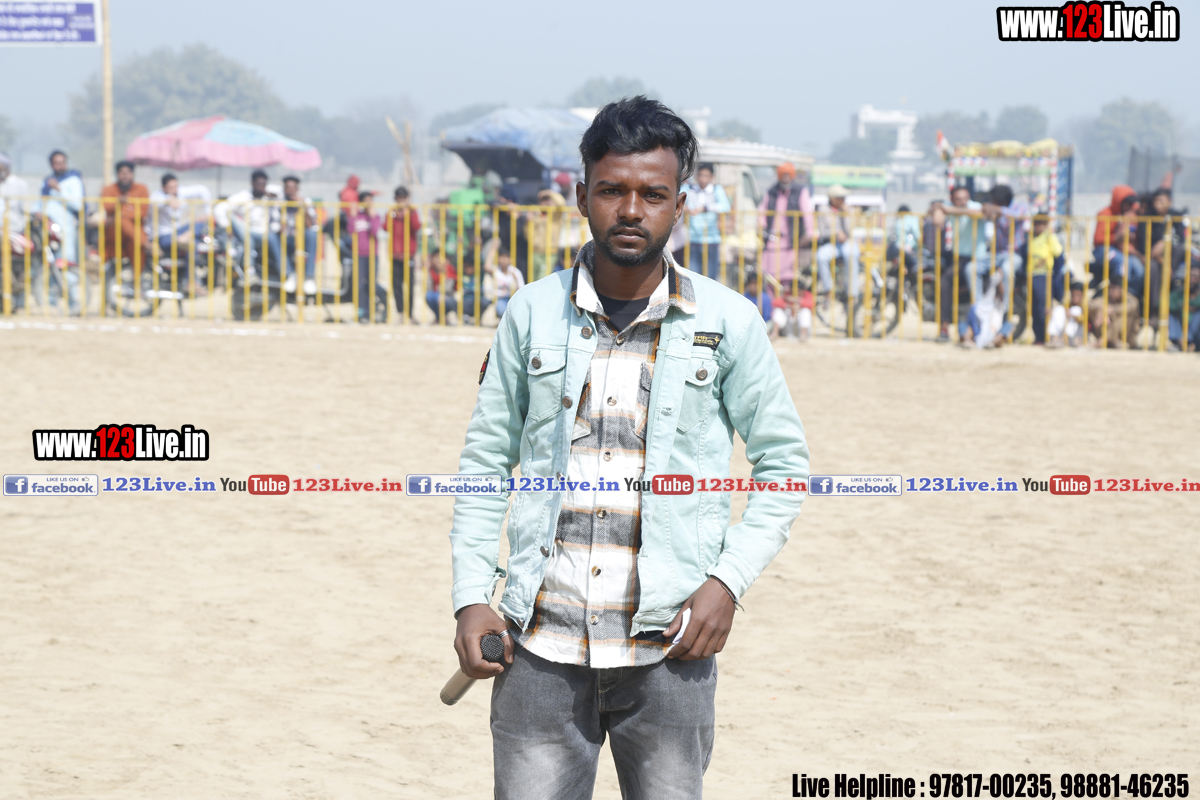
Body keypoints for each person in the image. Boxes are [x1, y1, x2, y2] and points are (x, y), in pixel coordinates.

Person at [449, 96, 809, 800]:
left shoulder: (728, 322)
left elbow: (784, 465)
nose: (632, 210)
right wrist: (470, 599)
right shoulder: (531, 312)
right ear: (582, 195)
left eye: (653, 194)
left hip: (670, 648)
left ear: (681, 205)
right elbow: (486, 462)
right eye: (612, 190)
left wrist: (727, 583)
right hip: (538, 647)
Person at [936, 185, 988, 341]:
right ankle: (944, 326)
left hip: (977, 258)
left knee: (970, 287)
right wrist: (938, 210)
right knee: (944, 282)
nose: (963, 202)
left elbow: (980, 212)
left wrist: (947, 210)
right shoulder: (949, 206)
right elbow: (936, 206)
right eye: (959, 199)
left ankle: (979, 326)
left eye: (965, 198)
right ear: (952, 199)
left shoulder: (975, 207)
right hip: (959, 257)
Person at [758, 161, 813, 284]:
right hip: (772, 238)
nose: (786, 178)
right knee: (769, 273)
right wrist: (761, 226)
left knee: (788, 274)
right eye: (783, 175)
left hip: (790, 239)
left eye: (788, 175)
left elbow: (807, 213)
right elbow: (762, 210)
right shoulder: (772, 191)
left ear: (792, 176)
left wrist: (809, 233)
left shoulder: (800, 191)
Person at [223, 170, 281, 280]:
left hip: (265, 234)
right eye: (258, 184)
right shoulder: (243, 197)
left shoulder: (270, 196)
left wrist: (273, 198)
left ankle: (285, 272)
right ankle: (249, 270)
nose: (261, 187)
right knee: (245, 233)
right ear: (252, 183)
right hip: (246, 232)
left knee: (274, 239)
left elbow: (283, 192)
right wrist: (227, 226)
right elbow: (222, 208)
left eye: (263, 184)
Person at [149, 172, 211, 276]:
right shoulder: (157, 196)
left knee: (199, 222)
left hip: (177, 232)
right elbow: (156, 202)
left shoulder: (180, 192)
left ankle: (188, 235)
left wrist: (208, 212)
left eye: (176, 186)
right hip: (162, 236)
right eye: (171, 187)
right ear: (163, 188)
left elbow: (202, 190)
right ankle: (191, 280)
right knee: (193, 243)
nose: (174, 189)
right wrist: (168, 199)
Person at [1090, 185, 1144, 299]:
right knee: (1122, 262)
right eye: (1127, 204)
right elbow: (1098, 239)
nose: (1128, 207)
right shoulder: (1105, 213)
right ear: (1119, 202)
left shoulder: (1121, 215)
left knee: (1138, 269)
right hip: (1102, 250)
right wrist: (1117, 238)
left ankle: (1129, 295)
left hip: (1115, 250)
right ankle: (1116, 294)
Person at [682, 162, 730, 281]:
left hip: (711, 240)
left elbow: (725, 206)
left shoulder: (716, 189)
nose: (703, 179)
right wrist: (686, 208)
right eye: (701, 175)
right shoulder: (689, 189)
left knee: (710, 278)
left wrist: (705, 208)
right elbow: (676, 201)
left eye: (706, 176)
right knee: (693, 278)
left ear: (712, 177)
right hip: (693, 239)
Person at [100, 160, 151, 270]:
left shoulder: (141, 189)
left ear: (132, 174)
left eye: (128, 172)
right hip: (114, 231)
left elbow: (142, 212)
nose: (125, 176)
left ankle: (137, 278)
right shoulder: (108, 189)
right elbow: (107, 207)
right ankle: (146, 243)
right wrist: (119, 204)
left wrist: (123, 213)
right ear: (118, 174)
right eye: (122, 173)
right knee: (120, 220)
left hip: (135, 230)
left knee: (135, 245)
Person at [815, 184, 860, 304]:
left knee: (851, 254)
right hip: (832, 243)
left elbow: (850, 231)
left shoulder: (848, 209)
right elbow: (823, 232)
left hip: (847, 243)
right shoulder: (823, 209)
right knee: (820, 256)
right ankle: (828, 289)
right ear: (833, 199)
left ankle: (852, 293)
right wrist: (836, 233)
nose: (843, 200)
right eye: (841, 197)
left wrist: (846, 215)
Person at [1024, 212, 1065, 345]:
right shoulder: (1030, 237)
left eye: (1043, 223)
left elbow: (1059, 255)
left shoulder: (1049, 237)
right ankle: (1038, 337)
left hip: (1044, 276)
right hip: (1032, 275)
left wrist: (1055, 276)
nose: (1040, 226)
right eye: (1038, 223)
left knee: (1044, 308)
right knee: (1034, 308)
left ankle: (1046, 336)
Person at [40, 150, 85, 269]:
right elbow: (40, 202)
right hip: (47, 228)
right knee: (48, 262)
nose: (60, 166)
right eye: (57, 163)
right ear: (51, 165)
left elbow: (78, 205)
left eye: (63, 162)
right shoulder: (47, 182)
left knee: (66, 260)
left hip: (64, 227)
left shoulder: (73, 180)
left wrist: (59, 189)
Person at [386, 186, 423, 320]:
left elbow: (416, 226)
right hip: (395, 254)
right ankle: (400, 312)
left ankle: (410, 314)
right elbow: (386, 227)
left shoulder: (412, 211)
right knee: (397, 285)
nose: (401, 201)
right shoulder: (392, 212)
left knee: (410, 285)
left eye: (403, 198)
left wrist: (408, 214)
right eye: (399, 198)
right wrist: (395, 214)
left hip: (408, 255)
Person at [345, 190, 381, 322]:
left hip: (372, 255)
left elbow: (375, 231)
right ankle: (361, 313)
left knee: (371, 285)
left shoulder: (375, 216)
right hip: (358, 255)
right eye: (365, 200)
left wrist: (372, 216)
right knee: (359, 285)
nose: (368, 203)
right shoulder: (357, 216)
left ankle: (370, 312)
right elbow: (350, 231)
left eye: (369, 200)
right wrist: (352, 216)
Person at [280, 175, 318, 296]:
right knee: (276, 238)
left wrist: (303, 207)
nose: (291, 190)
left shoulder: (305, 201)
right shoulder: (280, 202)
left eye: (293, 187)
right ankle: (290, 274)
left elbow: (310, 225)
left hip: (302, 238)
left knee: (312, 235)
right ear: (284, 189)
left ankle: (309, 277)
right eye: (288, 187)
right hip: (288, 238)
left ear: (297, 189)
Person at [1089, 279, 1141, 349]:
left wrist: (1113, 310)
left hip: (1127, 337)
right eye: (1109, 289)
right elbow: (1090, 304)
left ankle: (1107, 340)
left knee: (1123, 316)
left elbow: (1130, 307)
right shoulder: (1107, 299)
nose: (1110, 291)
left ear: (1122, 289)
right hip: (1108, 335)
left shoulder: (1131, 299)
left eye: (1114, 289)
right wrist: (1101, 311)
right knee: (1098, 313)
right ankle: (1109, 340)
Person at [1167, 264, 1200, 351]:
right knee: (1170, 314)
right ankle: (1180, 342)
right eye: (1190, 276)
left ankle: (1188, 342)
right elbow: (1164, 303)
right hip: (1180, 326)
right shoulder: (1178, 294)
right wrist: (1181, 307)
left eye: (1195, 276)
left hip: (1196, 332)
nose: (1192, 279)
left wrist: (1194, 307)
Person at [1047, 282, 1085, 348]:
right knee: (1059, 309)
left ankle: (1065, 339)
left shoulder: (1085, 306)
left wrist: (1073, 315)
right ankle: (1054, 338)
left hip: (1078, 334)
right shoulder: (1068, 304)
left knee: (1075, 310)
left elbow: (1084, 319)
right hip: (1064, 332)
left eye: (1078, 295)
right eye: (1073, 295)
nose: (1075, 298)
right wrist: (1052, 312)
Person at [424, 247, 457, 323]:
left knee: (440, 298)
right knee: (429, 295)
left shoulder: (450, 269)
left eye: (440, 257)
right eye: (435, 257)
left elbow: (448, 288)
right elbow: (429, 287)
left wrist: (444, 273)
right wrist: (427, 272)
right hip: (435, 296)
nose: (438, 260)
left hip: (447, 297)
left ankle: (441, 318)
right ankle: (439, 318)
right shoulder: (431, 270)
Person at [491, 246, 524, 318]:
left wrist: (516, 280)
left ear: (510, 259)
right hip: (499, 299)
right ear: (498, 258)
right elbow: (486, 266)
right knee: (501, 309)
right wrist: (493, 247)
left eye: (506, 257)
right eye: (502, 257)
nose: (504, 260)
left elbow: (521, 291)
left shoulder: (515, 272)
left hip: (512, 299)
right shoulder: (495, 270)